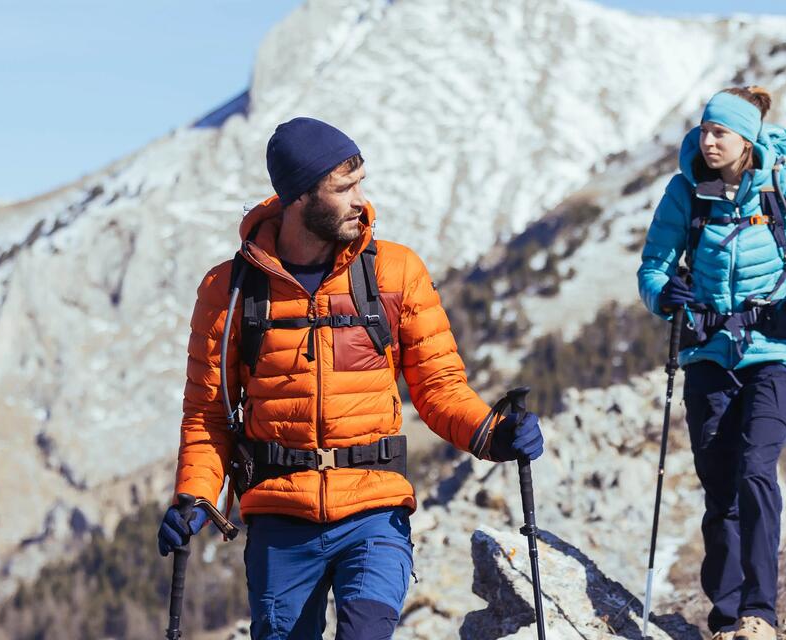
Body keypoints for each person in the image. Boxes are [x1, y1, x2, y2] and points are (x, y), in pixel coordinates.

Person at [156, 117, 545, 640]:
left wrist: (493, 433)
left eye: (361, 182)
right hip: (278, 513)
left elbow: (440, 387)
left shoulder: (395, 273)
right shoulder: (228, 291)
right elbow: (208, 414)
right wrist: (194, 497)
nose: (361, 200)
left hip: (374, 509)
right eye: (344, 189)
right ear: (298, 197)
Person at [636, 87, 786, 640]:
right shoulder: (685, 193)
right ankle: (726, 619)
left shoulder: (783, 189)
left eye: (719, 133)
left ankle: (760, 613)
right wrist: (664, 295)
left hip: (774, 354)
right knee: (719, 486)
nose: (708, 141)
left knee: (755, 468)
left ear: (745, 139)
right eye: (704, 131)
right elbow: (652, 267)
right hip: (707, 354)